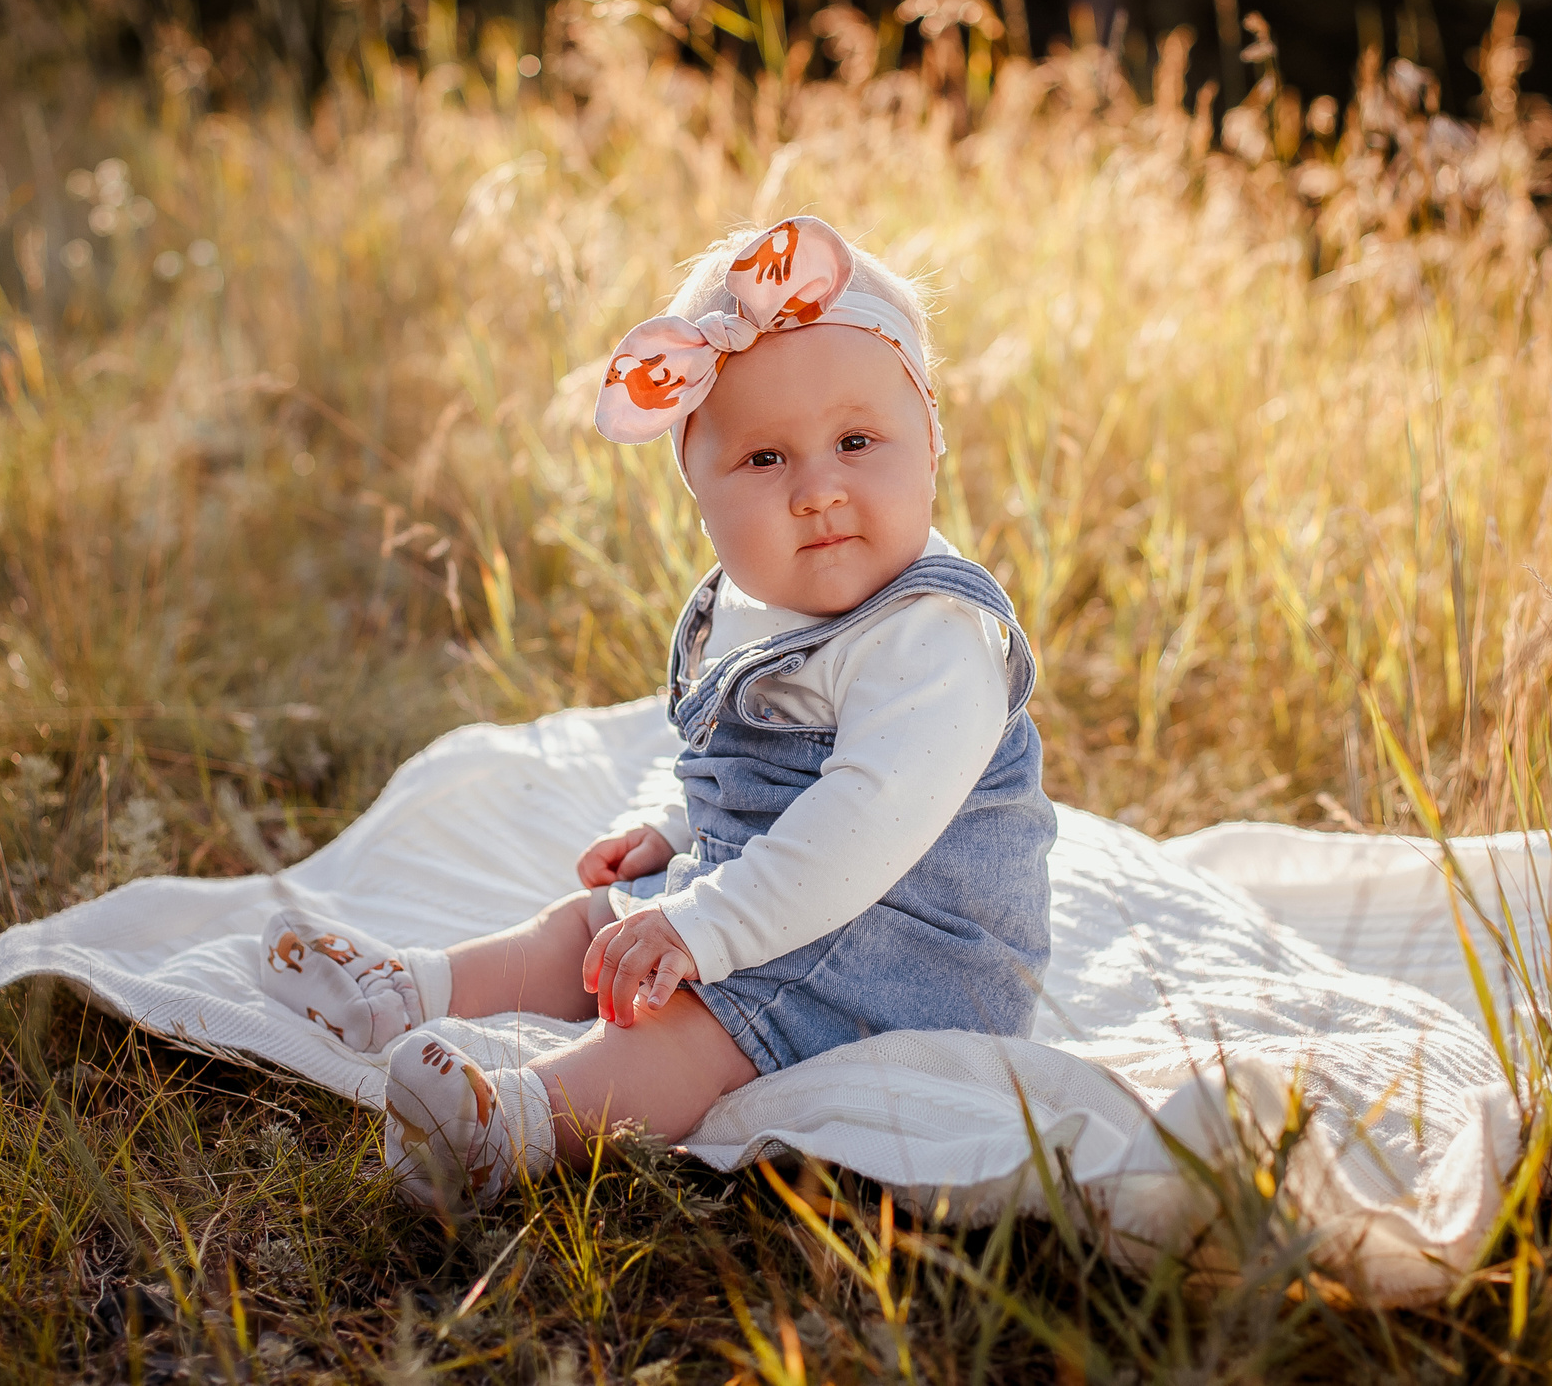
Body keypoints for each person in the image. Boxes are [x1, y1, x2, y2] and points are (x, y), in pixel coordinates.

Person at [255, 215, 1057, 1208]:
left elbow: (863, 820)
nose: (817, 491)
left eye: (857, 440)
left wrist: (705, 927)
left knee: (679, 1024)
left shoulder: (934, 634)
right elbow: (743, 756)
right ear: (699, 487)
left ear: (930, 440)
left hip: (905, 953)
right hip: (775, 889)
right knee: (592, 927)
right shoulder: (759, 603)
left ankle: (511, 1124)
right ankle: (405, 990)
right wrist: (673, 830)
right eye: (764, 459)